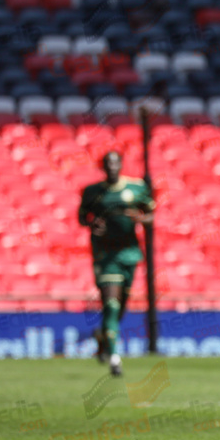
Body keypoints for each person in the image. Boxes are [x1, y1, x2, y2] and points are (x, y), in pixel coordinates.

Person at [78, 151, 155, 377]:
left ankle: (103, 338)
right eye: (107, 164)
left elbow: (151, 214)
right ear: (103, 167)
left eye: (115, 163)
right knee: (111, 305)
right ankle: (114, 359)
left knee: (120, 307)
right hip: (105, 255)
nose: (112, 167)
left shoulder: (137, 188)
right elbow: (82, 216)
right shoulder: (93, 193)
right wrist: (92, 225)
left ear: (121, 165)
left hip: (129, 255)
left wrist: (142, 219)